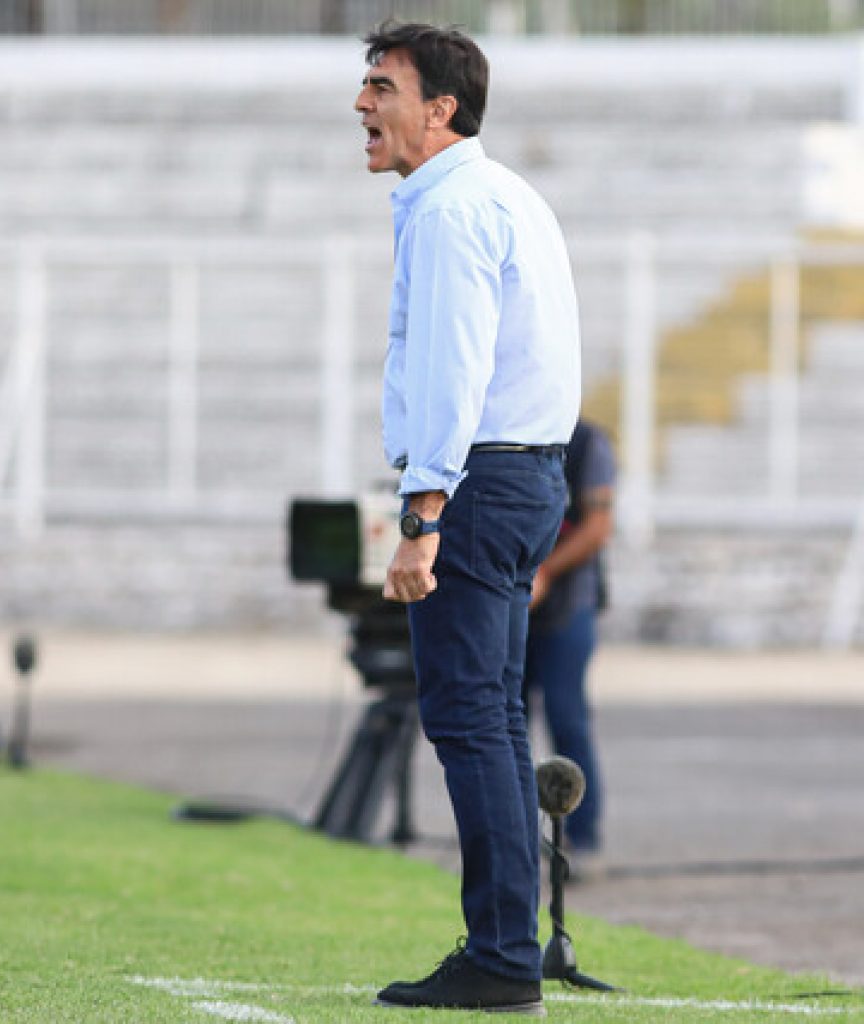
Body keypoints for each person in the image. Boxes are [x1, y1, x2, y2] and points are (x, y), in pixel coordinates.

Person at [355, 22, 580, 1014]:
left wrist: (421, 509)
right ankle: (507, 945)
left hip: (479, 482)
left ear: (440, 108)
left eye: (382, 86)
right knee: (487, 714)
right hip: (524, 476)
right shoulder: (505, 194)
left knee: (467, 717)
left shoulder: (451, 211)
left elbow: (455, 369)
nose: (362, 105)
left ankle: (498, 953)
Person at [525, 418, 615, 869]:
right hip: (512, 606)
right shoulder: (511, 432)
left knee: (567, 719)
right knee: (504, 725)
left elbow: (597, 527)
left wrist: (545, 572)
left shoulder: (585, 442)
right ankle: (515, 842)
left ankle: (583, 839)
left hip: (567, 606)